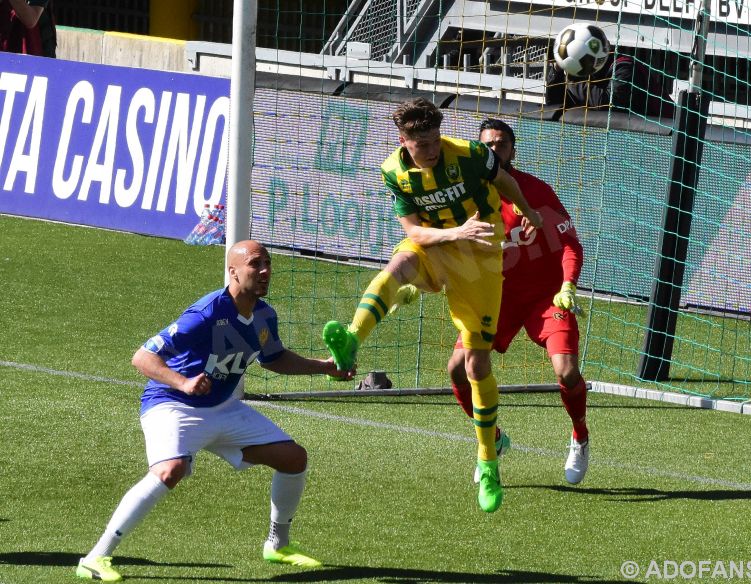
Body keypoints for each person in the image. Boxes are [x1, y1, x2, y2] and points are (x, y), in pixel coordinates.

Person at [76, 240, 352, 582]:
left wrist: (323, 367)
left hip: (222, 408)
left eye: (267, 263)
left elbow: (275, 358)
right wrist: (183, 383)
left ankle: (277, 545)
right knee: (170, 471)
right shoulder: (206, 313)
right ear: (233, 271)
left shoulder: (265, 315)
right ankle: (95, 557)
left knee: (293, 458)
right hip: (173, 405)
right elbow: (142, 357)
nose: (264, 271)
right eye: (255, 264)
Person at [322, 97, 542, 514]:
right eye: (422, 143)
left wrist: (525, 209)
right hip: (439, 242)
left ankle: (488, 460)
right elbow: (416, 233)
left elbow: (506, 182)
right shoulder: (393, 171)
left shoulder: (472, 154)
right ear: (404, 141)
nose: (432, 149)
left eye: (435, 139)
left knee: (476, 365)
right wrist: (454, 231)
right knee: (401, 261)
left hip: (479, 257)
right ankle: (352, 338)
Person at [444, 119, 590, 485]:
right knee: (457, 370)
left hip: (545, 297)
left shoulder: (536, 191)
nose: (494, 151)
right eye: (487, 145)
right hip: (494, 299)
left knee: (566, 372)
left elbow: (570, 244)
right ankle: (491, 441)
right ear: (478, 151)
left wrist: (568, 286)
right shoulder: (466, 196)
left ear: (513, 150)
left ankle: (580, 435)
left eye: (502, 144)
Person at [546, 50, 674, 118]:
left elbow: (608, 103)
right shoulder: (579, 74)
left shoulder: (625, 67)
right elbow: (553, 105)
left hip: (662, 136)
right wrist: (557, 70)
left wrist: (571, 82)